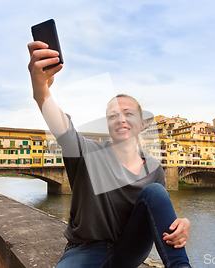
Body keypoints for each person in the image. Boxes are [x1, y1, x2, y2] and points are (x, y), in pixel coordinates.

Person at [27, 41, 191, 268]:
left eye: (128, 113)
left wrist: (181, 224)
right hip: (85, 248)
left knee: (155, 192)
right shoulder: (86, 152)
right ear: (108, 124)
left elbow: (159, 214)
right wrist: (41, 87)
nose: (121, 119)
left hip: (129, 250)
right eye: (113, 115)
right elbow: (59, 123)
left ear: (141, 124)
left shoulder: (153, 168)